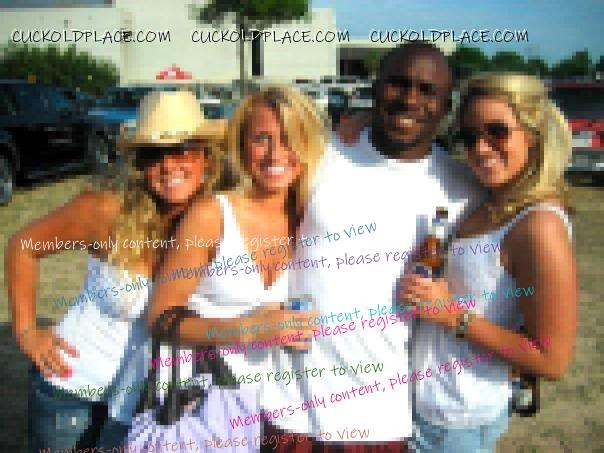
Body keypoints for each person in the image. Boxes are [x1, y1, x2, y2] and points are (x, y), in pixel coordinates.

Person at [263, 42, 482, 452]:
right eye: (398, 84)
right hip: (289, 405)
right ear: (376, 87)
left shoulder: (464, 189)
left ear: (447, 105)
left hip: (379, 416)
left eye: (427, 90)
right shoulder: (320, 153)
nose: (410, 99)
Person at [6, 90, 225, 451]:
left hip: (146, 405)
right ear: (139, 163)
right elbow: (23, 246)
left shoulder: (218, 220)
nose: (169, 165)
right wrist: (27, 331)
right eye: (153, 154)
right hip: (71, 393)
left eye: (182, 149)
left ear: (206, 156)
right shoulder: (106, 211)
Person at [400, 72, 578, 452]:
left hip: (459, 421)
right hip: (425, 407)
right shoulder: (489, 200)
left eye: (497, 132)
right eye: (469, 136)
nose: (480, 148)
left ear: (533, 133)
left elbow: (552, 359)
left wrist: (453, 316)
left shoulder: (540, 224)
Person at [144, 86, 324, 449]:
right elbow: (159, 319)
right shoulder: (211, 215)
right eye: (262, 139)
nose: (276, 153)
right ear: (242, 145)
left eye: (289, 138)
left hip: (272, 414)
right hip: (200, 409)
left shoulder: (309, 214)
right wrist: (246, 330)